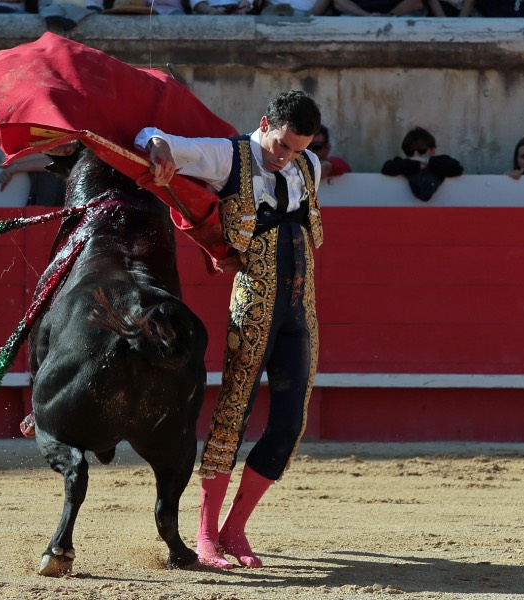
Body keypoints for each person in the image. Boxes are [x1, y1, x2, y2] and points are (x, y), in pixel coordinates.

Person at [135, 90, 323, 570]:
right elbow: (154, 139)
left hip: (301, 312)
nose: (287, 157)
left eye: (297, 148)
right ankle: (205, 533)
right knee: (232, 413)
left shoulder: (309, 166)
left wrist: (299, 156)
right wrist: (156, 146)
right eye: (282, 145)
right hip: (255, 304)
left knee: (290, 423)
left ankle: (236, 529)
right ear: (265, 123)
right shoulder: (228, 155)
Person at [381, 126, 463, 201]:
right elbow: (387, 168)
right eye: (410, 151)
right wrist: (419, 165)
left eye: (421, 149)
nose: (415, 154)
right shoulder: (404, 164)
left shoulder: (442, 161)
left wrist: (427, 162)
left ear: (432, 150)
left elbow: (457, 168)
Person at [0, 150, 68, 206]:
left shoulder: (67, 140)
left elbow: (60, 161)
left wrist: (16, 167)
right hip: (37, 204)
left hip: (62, 204)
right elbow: (7, 161)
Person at [333, 0, 422, 16]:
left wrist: (388, 16)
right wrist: (367, 16)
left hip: (399, 16)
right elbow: (339, 3)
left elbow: (416, 2)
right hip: (360, 16)